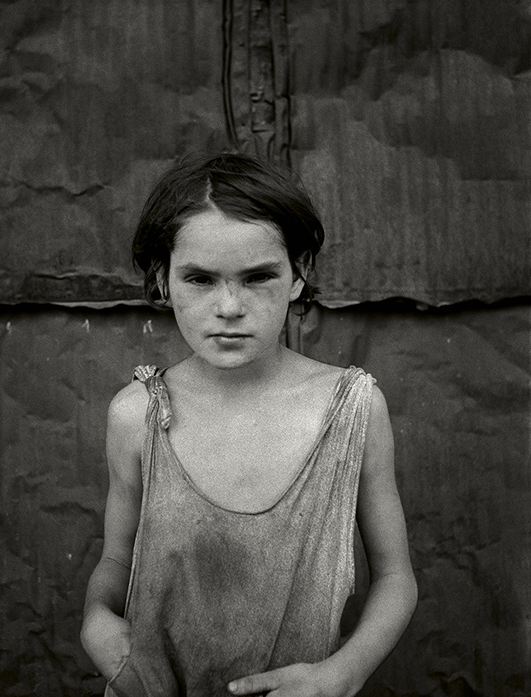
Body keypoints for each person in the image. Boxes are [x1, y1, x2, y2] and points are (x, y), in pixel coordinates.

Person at [80, 152, 417, 697]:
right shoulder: (136, 415)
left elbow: (396, 578)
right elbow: (118, 558)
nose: (230, 306)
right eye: (200, 279)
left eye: (258, 277)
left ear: (298, 274)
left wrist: (340, 675)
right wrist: (97, 615)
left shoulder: (352, 410)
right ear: (162, 280)